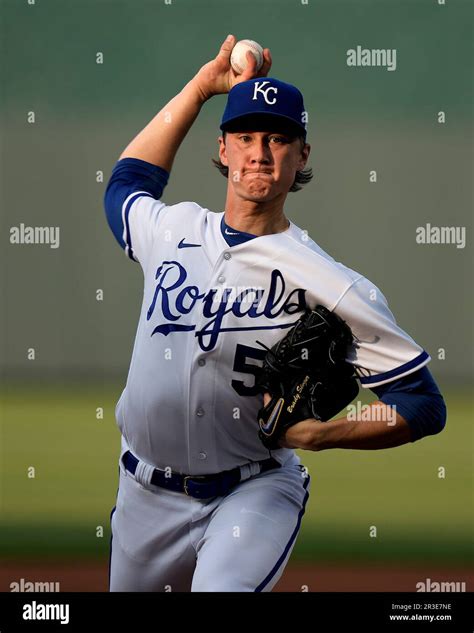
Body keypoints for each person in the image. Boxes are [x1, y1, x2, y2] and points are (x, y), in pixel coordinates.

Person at [104, 35, 446, 592]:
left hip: (253, 492)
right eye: (245, 136)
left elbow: (422, 404)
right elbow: (126, 183)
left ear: (302, 154)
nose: (259, 151)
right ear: (223, 149)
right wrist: (199, 88)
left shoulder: (332, 283)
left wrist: (327, 433)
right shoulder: (173, 231)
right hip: (142, 495)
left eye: (278, 138)